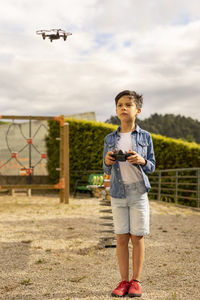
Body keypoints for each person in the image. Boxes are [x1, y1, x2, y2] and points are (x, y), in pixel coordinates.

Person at [103, 90, 155, 298]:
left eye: (128, 105)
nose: (123, 108)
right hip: (117, 192)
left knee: (137, 237)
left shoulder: (145, 137)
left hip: (138, 192)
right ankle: (123, 281)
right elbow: (106, 169)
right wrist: (107, 161)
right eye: (119, 105)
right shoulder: (109, 138)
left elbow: (151, 166)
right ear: (116, 110)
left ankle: (136, 281)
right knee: (121, 237)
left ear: (138, 110)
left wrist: (141, 160)